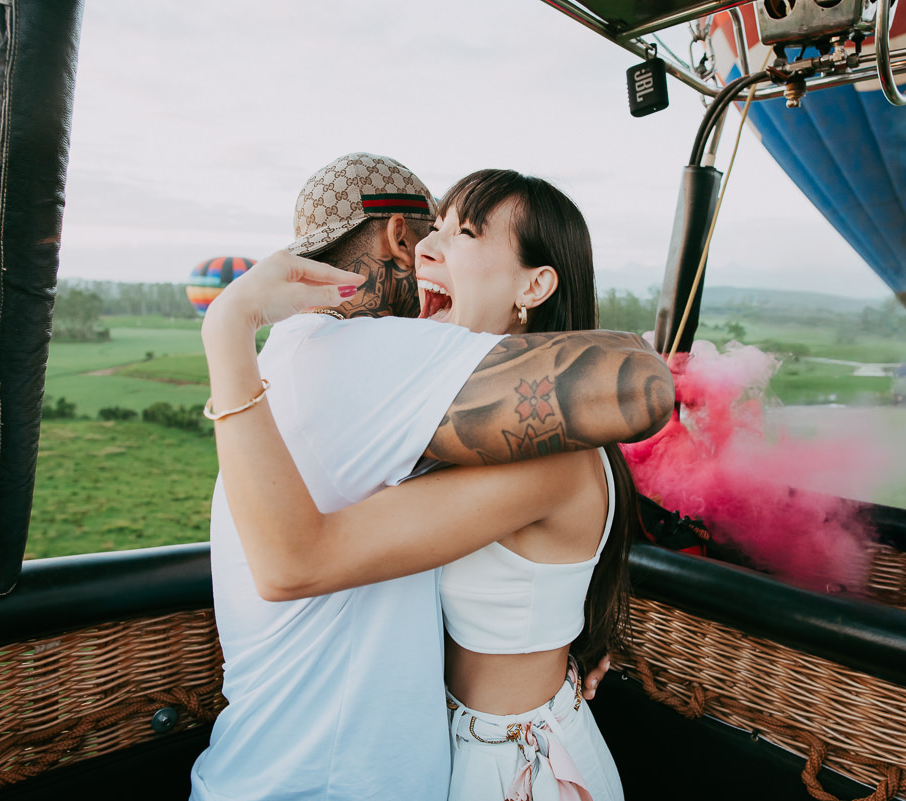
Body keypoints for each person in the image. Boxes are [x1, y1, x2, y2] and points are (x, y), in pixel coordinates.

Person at [190, 154, 673, 801]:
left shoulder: (544, 458)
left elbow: (638, 387)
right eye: (433, 226)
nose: (427, 252)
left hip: (511, 767)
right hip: (453, 751)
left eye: (463, 233)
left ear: (534, 288)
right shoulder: (430, 431)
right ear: (396, 236)